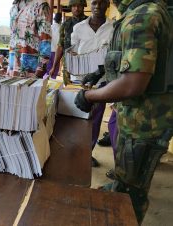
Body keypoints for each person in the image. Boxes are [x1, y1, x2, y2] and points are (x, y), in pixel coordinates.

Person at [74, 0, 172, 223]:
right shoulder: (141, 11)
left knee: (130, 197)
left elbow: (132, 84)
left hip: (144, 124)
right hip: (142, 120)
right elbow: (133, 60)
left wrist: (89, 97)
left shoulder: (141, 16)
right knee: (126, 184)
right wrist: (101, 72)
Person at [71, 0, 114, 167]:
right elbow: (72, 51)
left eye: (102, 3)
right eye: (95, 3)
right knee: (77, 118)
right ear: (90, 5)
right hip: (80, 81)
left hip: (102, 81)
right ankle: (74, 152)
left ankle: (87, 153)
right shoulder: (79, 28)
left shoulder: (113, 28)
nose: (98, 7)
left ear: (108, 6)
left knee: (95, 119)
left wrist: (99, 73)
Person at [8, 0, 51, 77]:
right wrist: (9, 67)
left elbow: (45, 39)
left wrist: (41, 69)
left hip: (32, 72)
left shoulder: (41, 5)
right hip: (13, 70)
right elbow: (12, 37)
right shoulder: (13, 8)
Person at [49, 0, 87, 84]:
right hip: (68, 66)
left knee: (84, 91)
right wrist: (54, 66)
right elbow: (60, 46)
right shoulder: (65, 25)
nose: (76, 8)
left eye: (79, 6)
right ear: (71, 7)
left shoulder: (89, 22)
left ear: (83, 6)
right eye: (74, 6)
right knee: (68, 91)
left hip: (86, 64)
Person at [44, 12, 62, 79]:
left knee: (48, 68)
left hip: (48, 51)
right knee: (55, 69)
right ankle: (52, 81)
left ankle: (47, 82)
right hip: (57, 51)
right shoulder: (61, 29)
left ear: (54, 19)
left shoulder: (50, 27)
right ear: (60, 20)